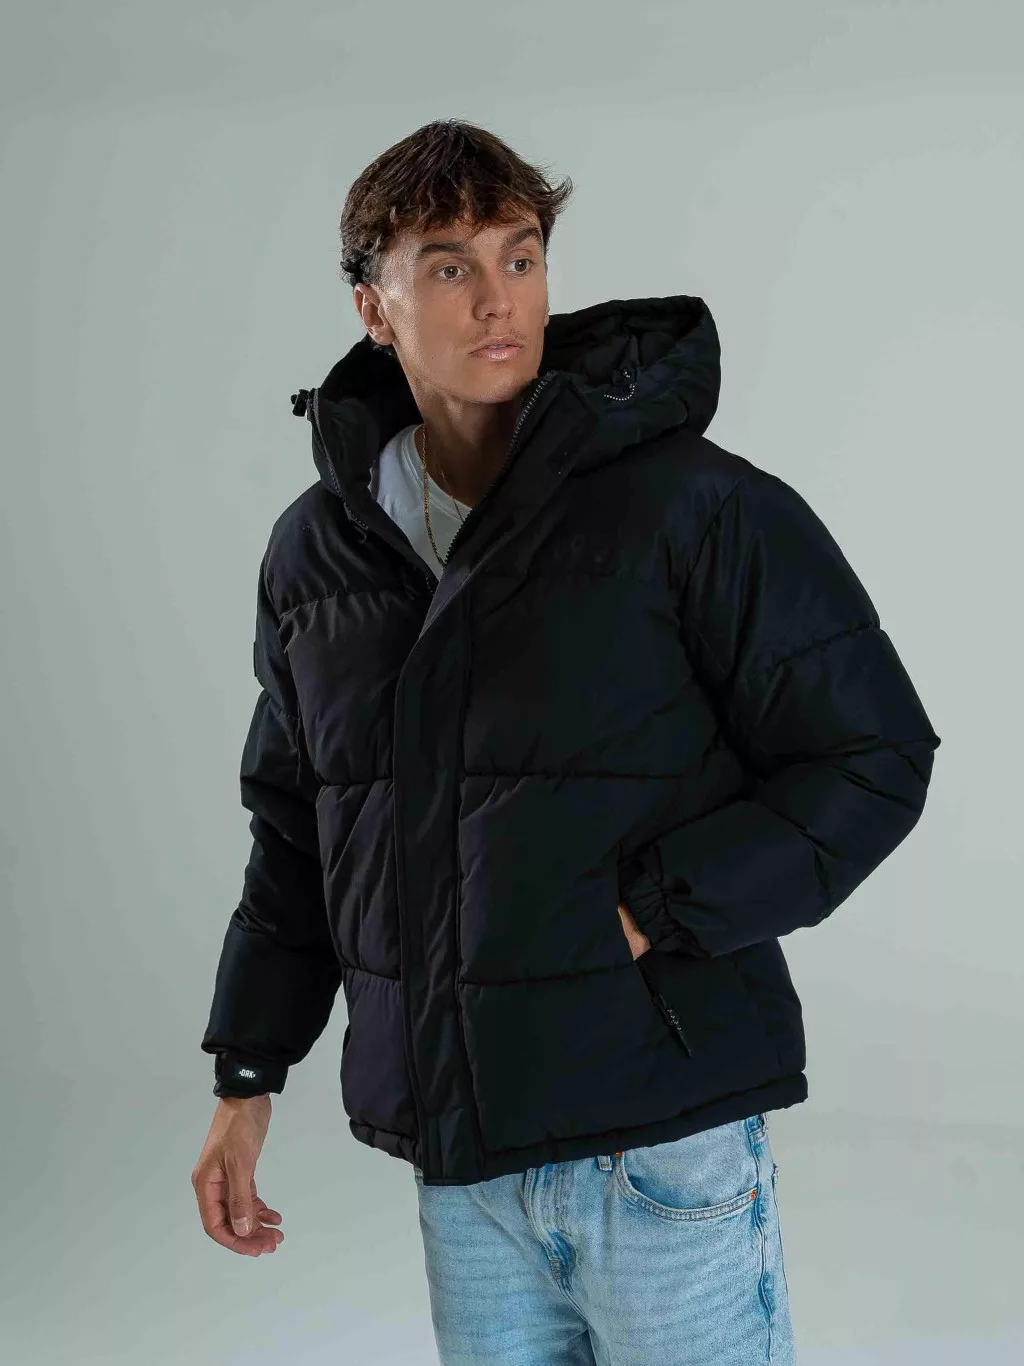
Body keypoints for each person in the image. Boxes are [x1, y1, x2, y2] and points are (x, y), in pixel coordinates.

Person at [191, 119, 941, 1364]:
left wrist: (653, 909)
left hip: (661, 1145)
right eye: (449, 266)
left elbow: (871, 755)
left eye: (521, 256)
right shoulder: (317, 553)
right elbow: (297, 829)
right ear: (374, 308)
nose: (499, 299)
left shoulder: (693, 505)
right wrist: (245, 1074)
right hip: (465, 1167)